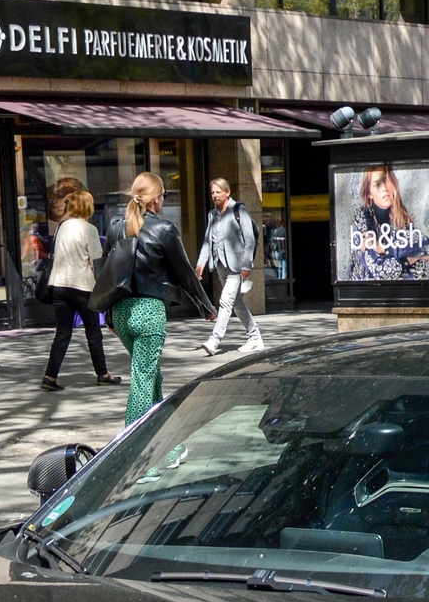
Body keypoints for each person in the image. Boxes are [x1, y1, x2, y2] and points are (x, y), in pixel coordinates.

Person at [112, 171, 214, 422]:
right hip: (148, 311)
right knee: (143, 381)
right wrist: (206, 307)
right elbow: (185, 273)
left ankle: (167, 450)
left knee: (151, 376)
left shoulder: (116, 226)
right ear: (156, 198)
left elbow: (108, 272)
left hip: (121, 311)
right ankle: (131, 451)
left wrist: (108, 317)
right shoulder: (164, 229)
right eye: (164, 195)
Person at [42, 188, 120, 390]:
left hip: (59, 285)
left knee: (62, 333)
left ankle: (49, 377)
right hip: (82, 286)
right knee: (93, 332)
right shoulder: (89, 229)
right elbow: (95, 260)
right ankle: (102, 373)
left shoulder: (62, 227)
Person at [196, 177, 265, 357]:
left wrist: (246, 264)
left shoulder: (238, 210)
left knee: (225, 301)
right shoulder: (213, 214)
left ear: (227, 192)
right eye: (212, 192)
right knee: (237, 305)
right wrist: (201, 263)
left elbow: (249, 239)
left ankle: (214, 340)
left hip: (236, 266)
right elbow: (207, 241)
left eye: (218, 192)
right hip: (220, 264)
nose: (214, 195)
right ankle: (255, 337)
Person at [344, 165, 429, 280]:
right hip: (369, 291)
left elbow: (425, 245)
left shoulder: (399, 213)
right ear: (369, 193)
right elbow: (380, 271)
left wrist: (383, 249)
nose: (384, 188)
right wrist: (411, 259)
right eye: (377, 184)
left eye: (386, 180)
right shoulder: (362, 217)